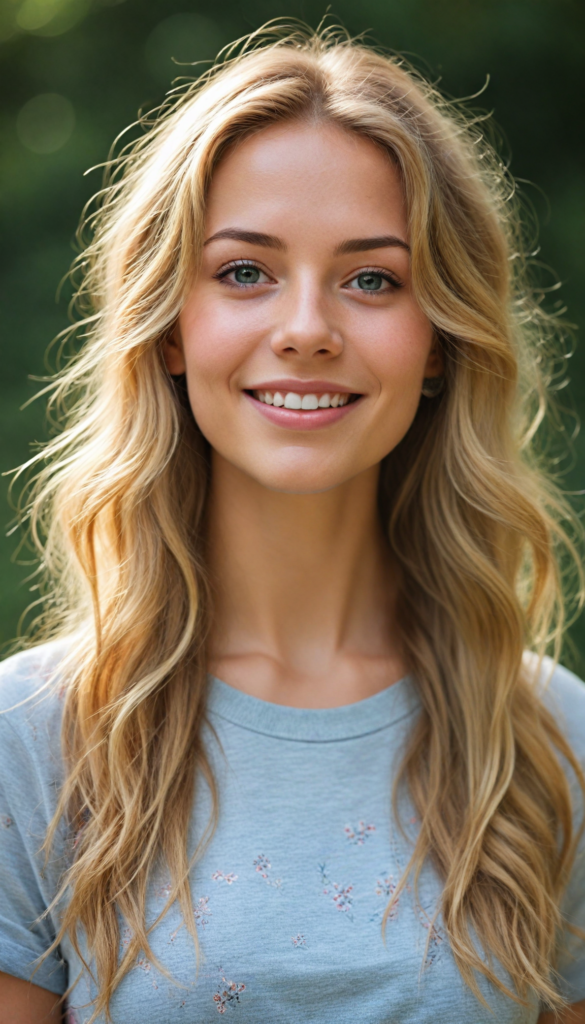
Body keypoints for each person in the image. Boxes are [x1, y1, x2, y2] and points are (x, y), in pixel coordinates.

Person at [1, 22, 585, 1024]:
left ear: (440, 339)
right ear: (170, 329)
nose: (308, 326)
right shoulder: (32, 738)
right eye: (243, 272)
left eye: (372, 278)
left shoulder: (553, 746)